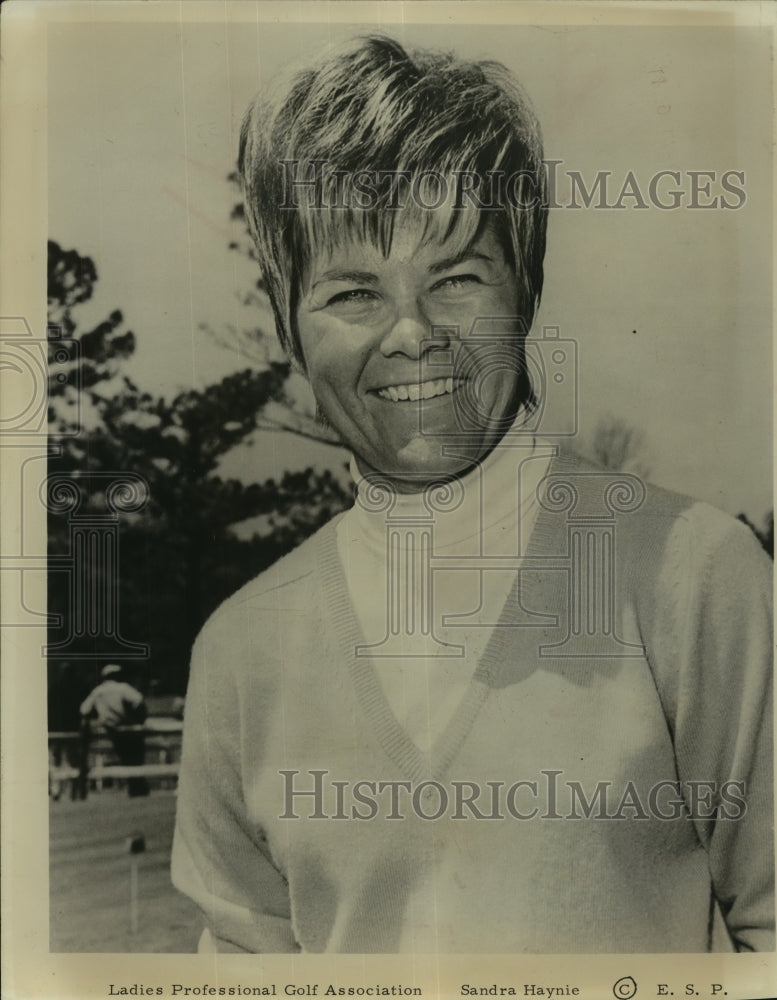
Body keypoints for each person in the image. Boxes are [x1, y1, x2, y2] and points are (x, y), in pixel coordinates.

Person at [171, 36, 773, 953]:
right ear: (288, 323)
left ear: (523, 289)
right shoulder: (240, 654)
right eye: (352, 293)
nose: (411, 334)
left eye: (455, 279)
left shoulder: (698, 578)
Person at [80, 663, 149, 797]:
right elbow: (139, 700)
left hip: (111, 731)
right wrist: (138, 717)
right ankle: (138, 788)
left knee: (126, 760)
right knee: (135, 760)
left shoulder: (98, 691)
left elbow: (84, 709)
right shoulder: (122, 688)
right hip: (129, 728)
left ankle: (134, 788)